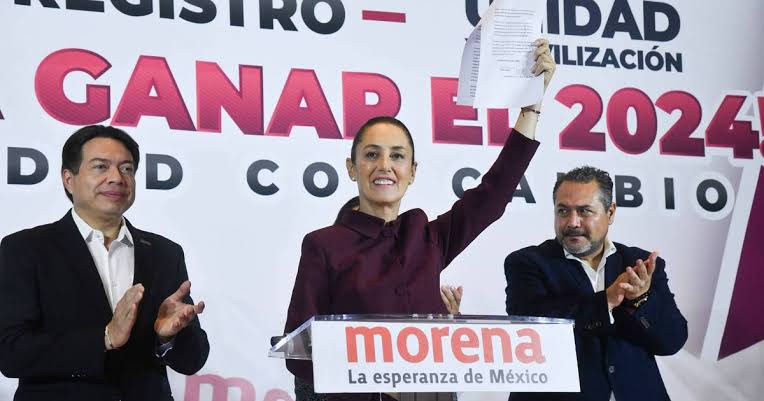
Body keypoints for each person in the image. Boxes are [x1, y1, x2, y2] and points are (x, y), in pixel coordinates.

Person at [283, 39, 556, 401]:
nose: (384, 166)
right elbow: (299, 354)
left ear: (412, 172)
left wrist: (531, 108)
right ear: (352, 168)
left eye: (397, 156)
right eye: (371, 155)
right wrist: (375, 380)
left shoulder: (427, 238)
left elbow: (492, 196)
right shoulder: (323, 245)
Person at [0, 125, 209, 401]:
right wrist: (105, 338)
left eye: (127, 169)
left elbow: (193, 360)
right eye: (101, 167)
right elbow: (10, 352)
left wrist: (166, 338)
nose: (117, 178)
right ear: (68, 179)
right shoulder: (26, 249)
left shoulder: (164, 253)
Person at [504, 166, 688, 401]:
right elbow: (532, 326)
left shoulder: (640, 265)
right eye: (563, 211)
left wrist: (641, 300)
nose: (572, 222)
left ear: (610, 212)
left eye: (584, 211)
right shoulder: (527, 262)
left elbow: (671, 342)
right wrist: (607, 301)